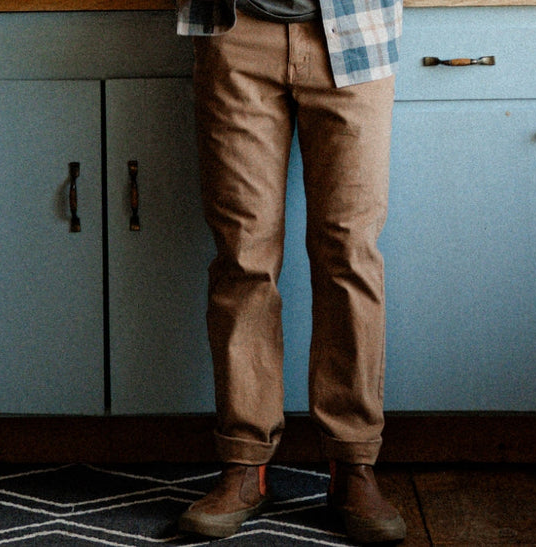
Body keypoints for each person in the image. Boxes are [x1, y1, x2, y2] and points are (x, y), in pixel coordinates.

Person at [174, 0, 406, 543]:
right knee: (243, 256)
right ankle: (245, 463)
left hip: (354, 35)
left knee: (350, 252)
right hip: (234, 29)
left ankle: (353, 465)